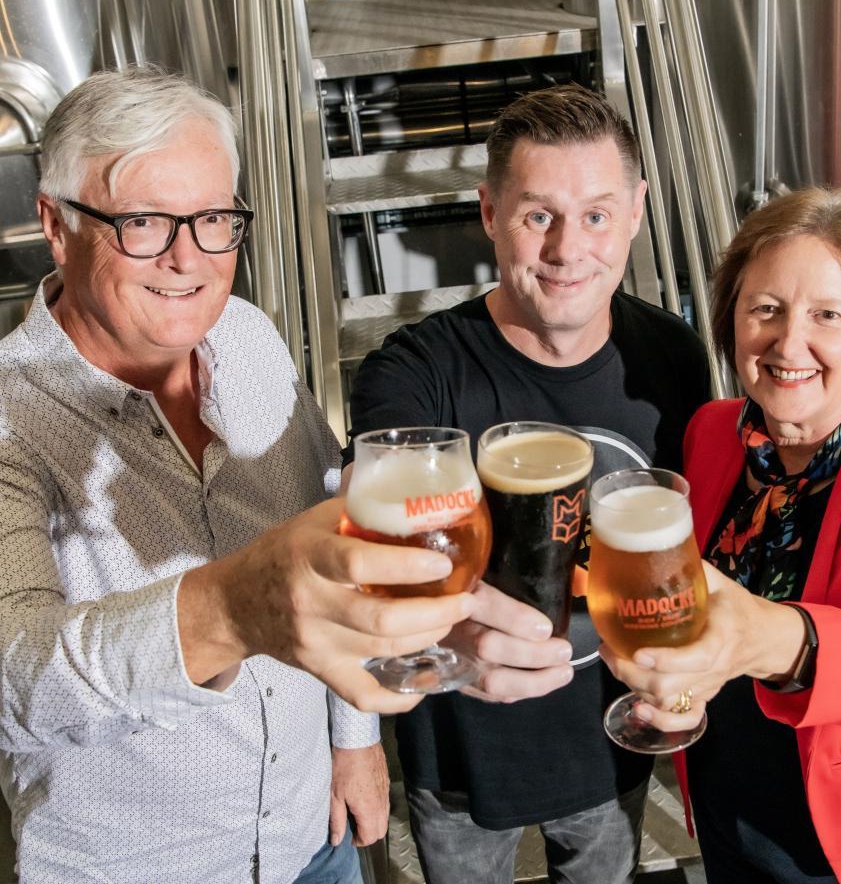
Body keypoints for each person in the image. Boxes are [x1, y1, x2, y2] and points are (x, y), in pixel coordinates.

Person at [0, 67, 554, 884]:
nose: (189, 259)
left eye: (216, 218)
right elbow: (16, 685)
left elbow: (338, 527)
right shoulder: (11, 415)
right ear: (56, 224)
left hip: (309, 835)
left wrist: (356, 741)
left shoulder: (249, 338)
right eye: (146, 221)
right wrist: (226, 609)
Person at [344, 85, 710, 883]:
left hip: (615, 742)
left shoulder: (675, 359)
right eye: (537, 215)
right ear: (487, 211)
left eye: (597, 214)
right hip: (462, 759)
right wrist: (450, 633)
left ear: (639, 210)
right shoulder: (414, 374)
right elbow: (368, 556)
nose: (566, 248)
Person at [602, 187, 841, 883]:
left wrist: (769, 637)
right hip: (724, 804)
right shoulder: (712, 432)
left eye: (827, 316)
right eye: (766, 309)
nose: (787, 342)